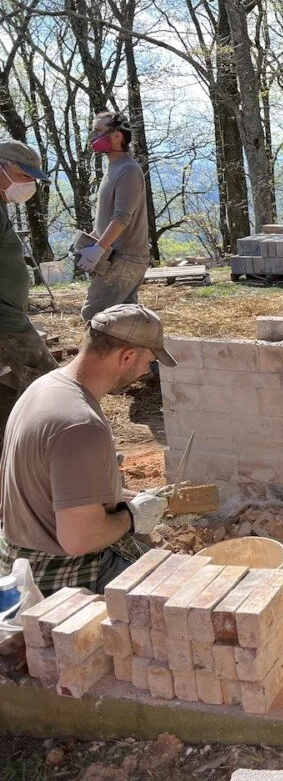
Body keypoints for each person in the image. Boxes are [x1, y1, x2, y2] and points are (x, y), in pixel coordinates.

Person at [0, 304, 176, 595]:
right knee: (179, 595)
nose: (146, 371)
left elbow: (43, 486)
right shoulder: (80, 425)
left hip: (19, 557)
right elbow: (79, 539)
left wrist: (115, 495)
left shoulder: (44, 387)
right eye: (148, 362)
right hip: (56, 575)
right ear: (127, 356)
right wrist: (132, 517)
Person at [0, 139, 57, 445]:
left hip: (8, 318)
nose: (29, 184)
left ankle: (12, 461)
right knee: (51, 389)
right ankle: (76, 457)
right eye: (23, 175)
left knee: (8, 395)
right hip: (6, 324)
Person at [76, 112, 151, 321]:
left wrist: (98, 250)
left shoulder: (128, 170)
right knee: (124, 321)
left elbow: (121, 218)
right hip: (120, 256)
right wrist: (90, 242)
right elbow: (109, 218)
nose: (93, 136)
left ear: (117, 135)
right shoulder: (114, 168)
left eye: (98, 130)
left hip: (125, 257)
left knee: (94, 316)